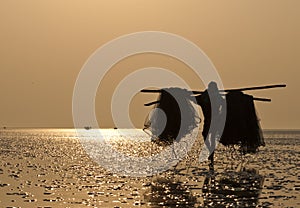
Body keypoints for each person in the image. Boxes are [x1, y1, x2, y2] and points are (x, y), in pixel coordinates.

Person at [193, 81, 225, 170]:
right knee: (208, 136)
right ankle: (211, 152)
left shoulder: (205, 97)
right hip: (213, 121)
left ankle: (211, 153)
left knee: (207, 135)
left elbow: (194, 99)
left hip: (212, 121)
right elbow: (225, 101)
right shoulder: (217, 97)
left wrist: (185, 94)